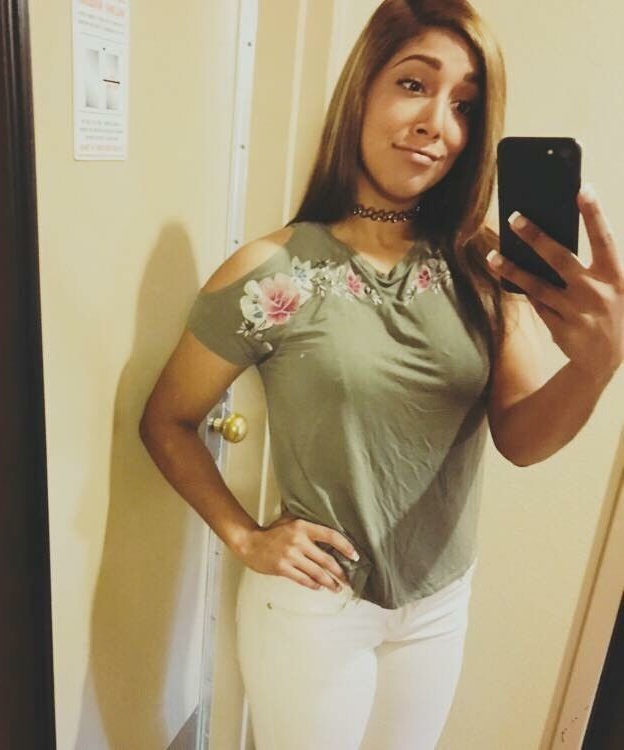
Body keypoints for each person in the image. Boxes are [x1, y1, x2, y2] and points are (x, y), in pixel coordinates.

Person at [139, 0, 623, 747]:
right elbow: (167, 419)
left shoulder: (482, 263)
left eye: (465, 105)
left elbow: (522, 439)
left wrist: (597, 367)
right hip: (317, 610)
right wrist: (245, 536)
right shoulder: (272, 270)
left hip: (439, 606)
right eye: (413, 84)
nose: (438, 123)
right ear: (362, 88)